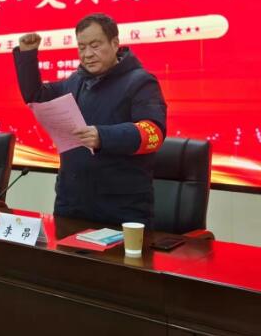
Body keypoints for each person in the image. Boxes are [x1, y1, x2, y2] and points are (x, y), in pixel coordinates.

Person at [13, 13, 167, 226]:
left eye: (95, 46)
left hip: (119, 208)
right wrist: (28, 56)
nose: (87, 54)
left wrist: (102, 136)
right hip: (71, 202)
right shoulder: (76, 80)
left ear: (115, 44)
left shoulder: (140, 82)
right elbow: (36, 96)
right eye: (81, 47)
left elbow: (153, 133)